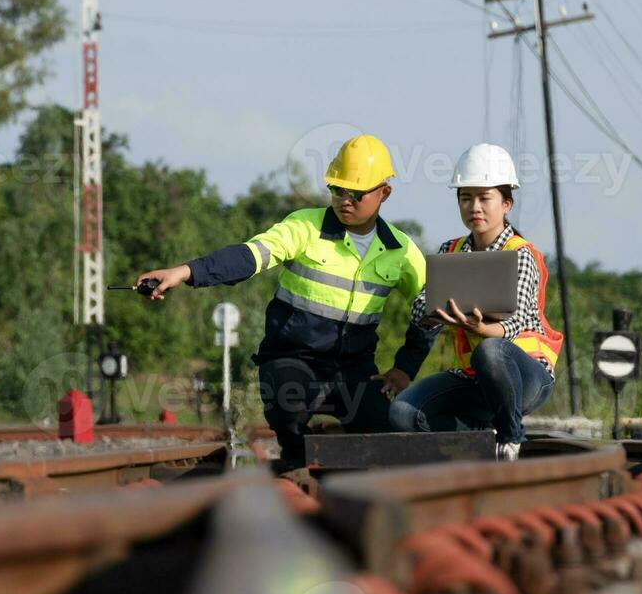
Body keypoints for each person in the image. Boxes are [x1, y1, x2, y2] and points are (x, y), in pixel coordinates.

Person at [136, 134, 426, 475]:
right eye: (337, 189)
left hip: (353, 371)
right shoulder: (304, 226)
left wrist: (405, 368)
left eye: (356, 193)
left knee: (384, 441)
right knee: (291, 408)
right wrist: (186, 272)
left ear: (384, 192)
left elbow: (431, 311)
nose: (344, 200)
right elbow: (248, 257)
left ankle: (334, 450)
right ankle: (299, 469)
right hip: (292, 361)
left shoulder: (402, 251)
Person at [379, 143, 562, 461]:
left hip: (525, 376)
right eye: (466, 198)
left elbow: (513, 324)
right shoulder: (450, 251)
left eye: (484, 197)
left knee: (490, 351)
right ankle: (467, 453)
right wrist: (439, 313)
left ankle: (510, 439)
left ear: (506, 203)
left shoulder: (520, 254)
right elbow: (421, 308)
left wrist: (477, 325)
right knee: (403, 414)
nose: (474, 206)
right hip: (473, 380)